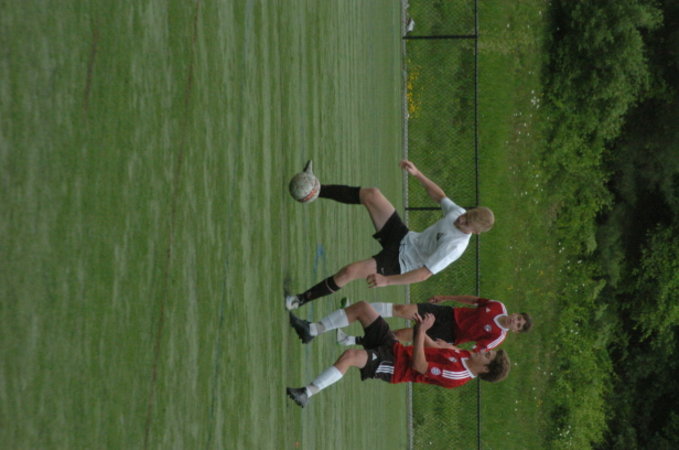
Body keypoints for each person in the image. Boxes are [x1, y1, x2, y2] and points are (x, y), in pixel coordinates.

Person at [285, 160, 495, 311]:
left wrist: (387, 281)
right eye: (466, 215)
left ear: (475, 232)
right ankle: (314, 189)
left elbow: (423, 274)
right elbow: (440, 196)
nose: (461, 219)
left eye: (467, 223)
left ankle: (300, 300)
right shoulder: (458, 213)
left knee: (349, 272)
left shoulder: (455, 247)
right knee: (372, 194)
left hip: (400, 262)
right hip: (404, 238)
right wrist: (417, 173)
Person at [286, 302, 510, 408]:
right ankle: (311, 330)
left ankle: (306, 393)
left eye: (487, 356)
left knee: (351, 356)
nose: (483, 352)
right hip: (396, 350)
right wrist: (423, 328)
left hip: (395, 367)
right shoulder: (466, 356)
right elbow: (435, 347)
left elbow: (419, 365)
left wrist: (420, 333)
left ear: (485, 369)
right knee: (363, 308)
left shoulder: (457, 375)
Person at [333, 295, 532, 352]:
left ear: (515, 331)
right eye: (518, 318)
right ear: (515, 314)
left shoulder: (497, 337)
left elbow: (473, 353)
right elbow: (473, 300)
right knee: (402, 309)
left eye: (518, 325)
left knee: (397, 336)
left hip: (448, 334)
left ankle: (350, 340)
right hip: (446, 314)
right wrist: (446, 297)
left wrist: (448, 347)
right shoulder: (498, 306)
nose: (515, 321)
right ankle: (356, 309)